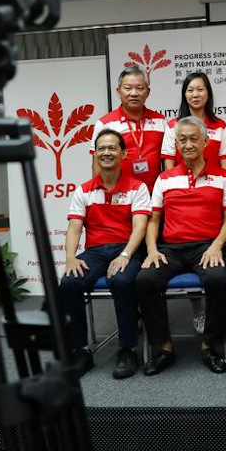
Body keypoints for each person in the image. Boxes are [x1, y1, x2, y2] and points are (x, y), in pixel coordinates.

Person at [136, 116, 226, 375]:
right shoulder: (165, 179)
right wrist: (152, 250)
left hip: (208, 245)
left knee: (217, 279)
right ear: (176, 144)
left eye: (194, 139)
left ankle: (209, 346)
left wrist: (217, 246)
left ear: (206, 141)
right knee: (145, 280)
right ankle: (164, 347)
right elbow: (153, 220)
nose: (189, 144)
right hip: (171, 247)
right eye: (183, 140)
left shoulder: (224, 177)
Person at [59, 129, 150, 379]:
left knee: (121, 281)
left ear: (123, 153)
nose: (107, 152)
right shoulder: (84, 190)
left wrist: (125, 255)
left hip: (127, 248)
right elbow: (74, 227)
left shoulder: (137, 187)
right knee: (68, 283)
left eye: (112, 148)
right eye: (102, 148)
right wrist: (70, 258)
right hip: (96, 251)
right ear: (95, 153)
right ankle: (80, 350)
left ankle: (127, 348)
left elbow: (140, 227)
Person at [160, 72, 226, 335]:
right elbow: (169, 164)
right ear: (185, 95)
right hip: (181, 196)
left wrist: (217, 192)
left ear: (208, 94)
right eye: (190, 90)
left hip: (212, 195)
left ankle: (215, 313)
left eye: (200, 89)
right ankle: (197, 309)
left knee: (212, 267)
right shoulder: (173, 126)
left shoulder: (220, 126)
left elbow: (225, 165)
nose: (195, 94)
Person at [90, 66, 167, 191]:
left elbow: (168, 162)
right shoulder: (105, 123)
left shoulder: (161, 121)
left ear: (148, 92)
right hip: (120, 195)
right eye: (128, 88)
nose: (134, 93)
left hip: (154, 194)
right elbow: (97, 165)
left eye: (139, 88)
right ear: (118, 91)